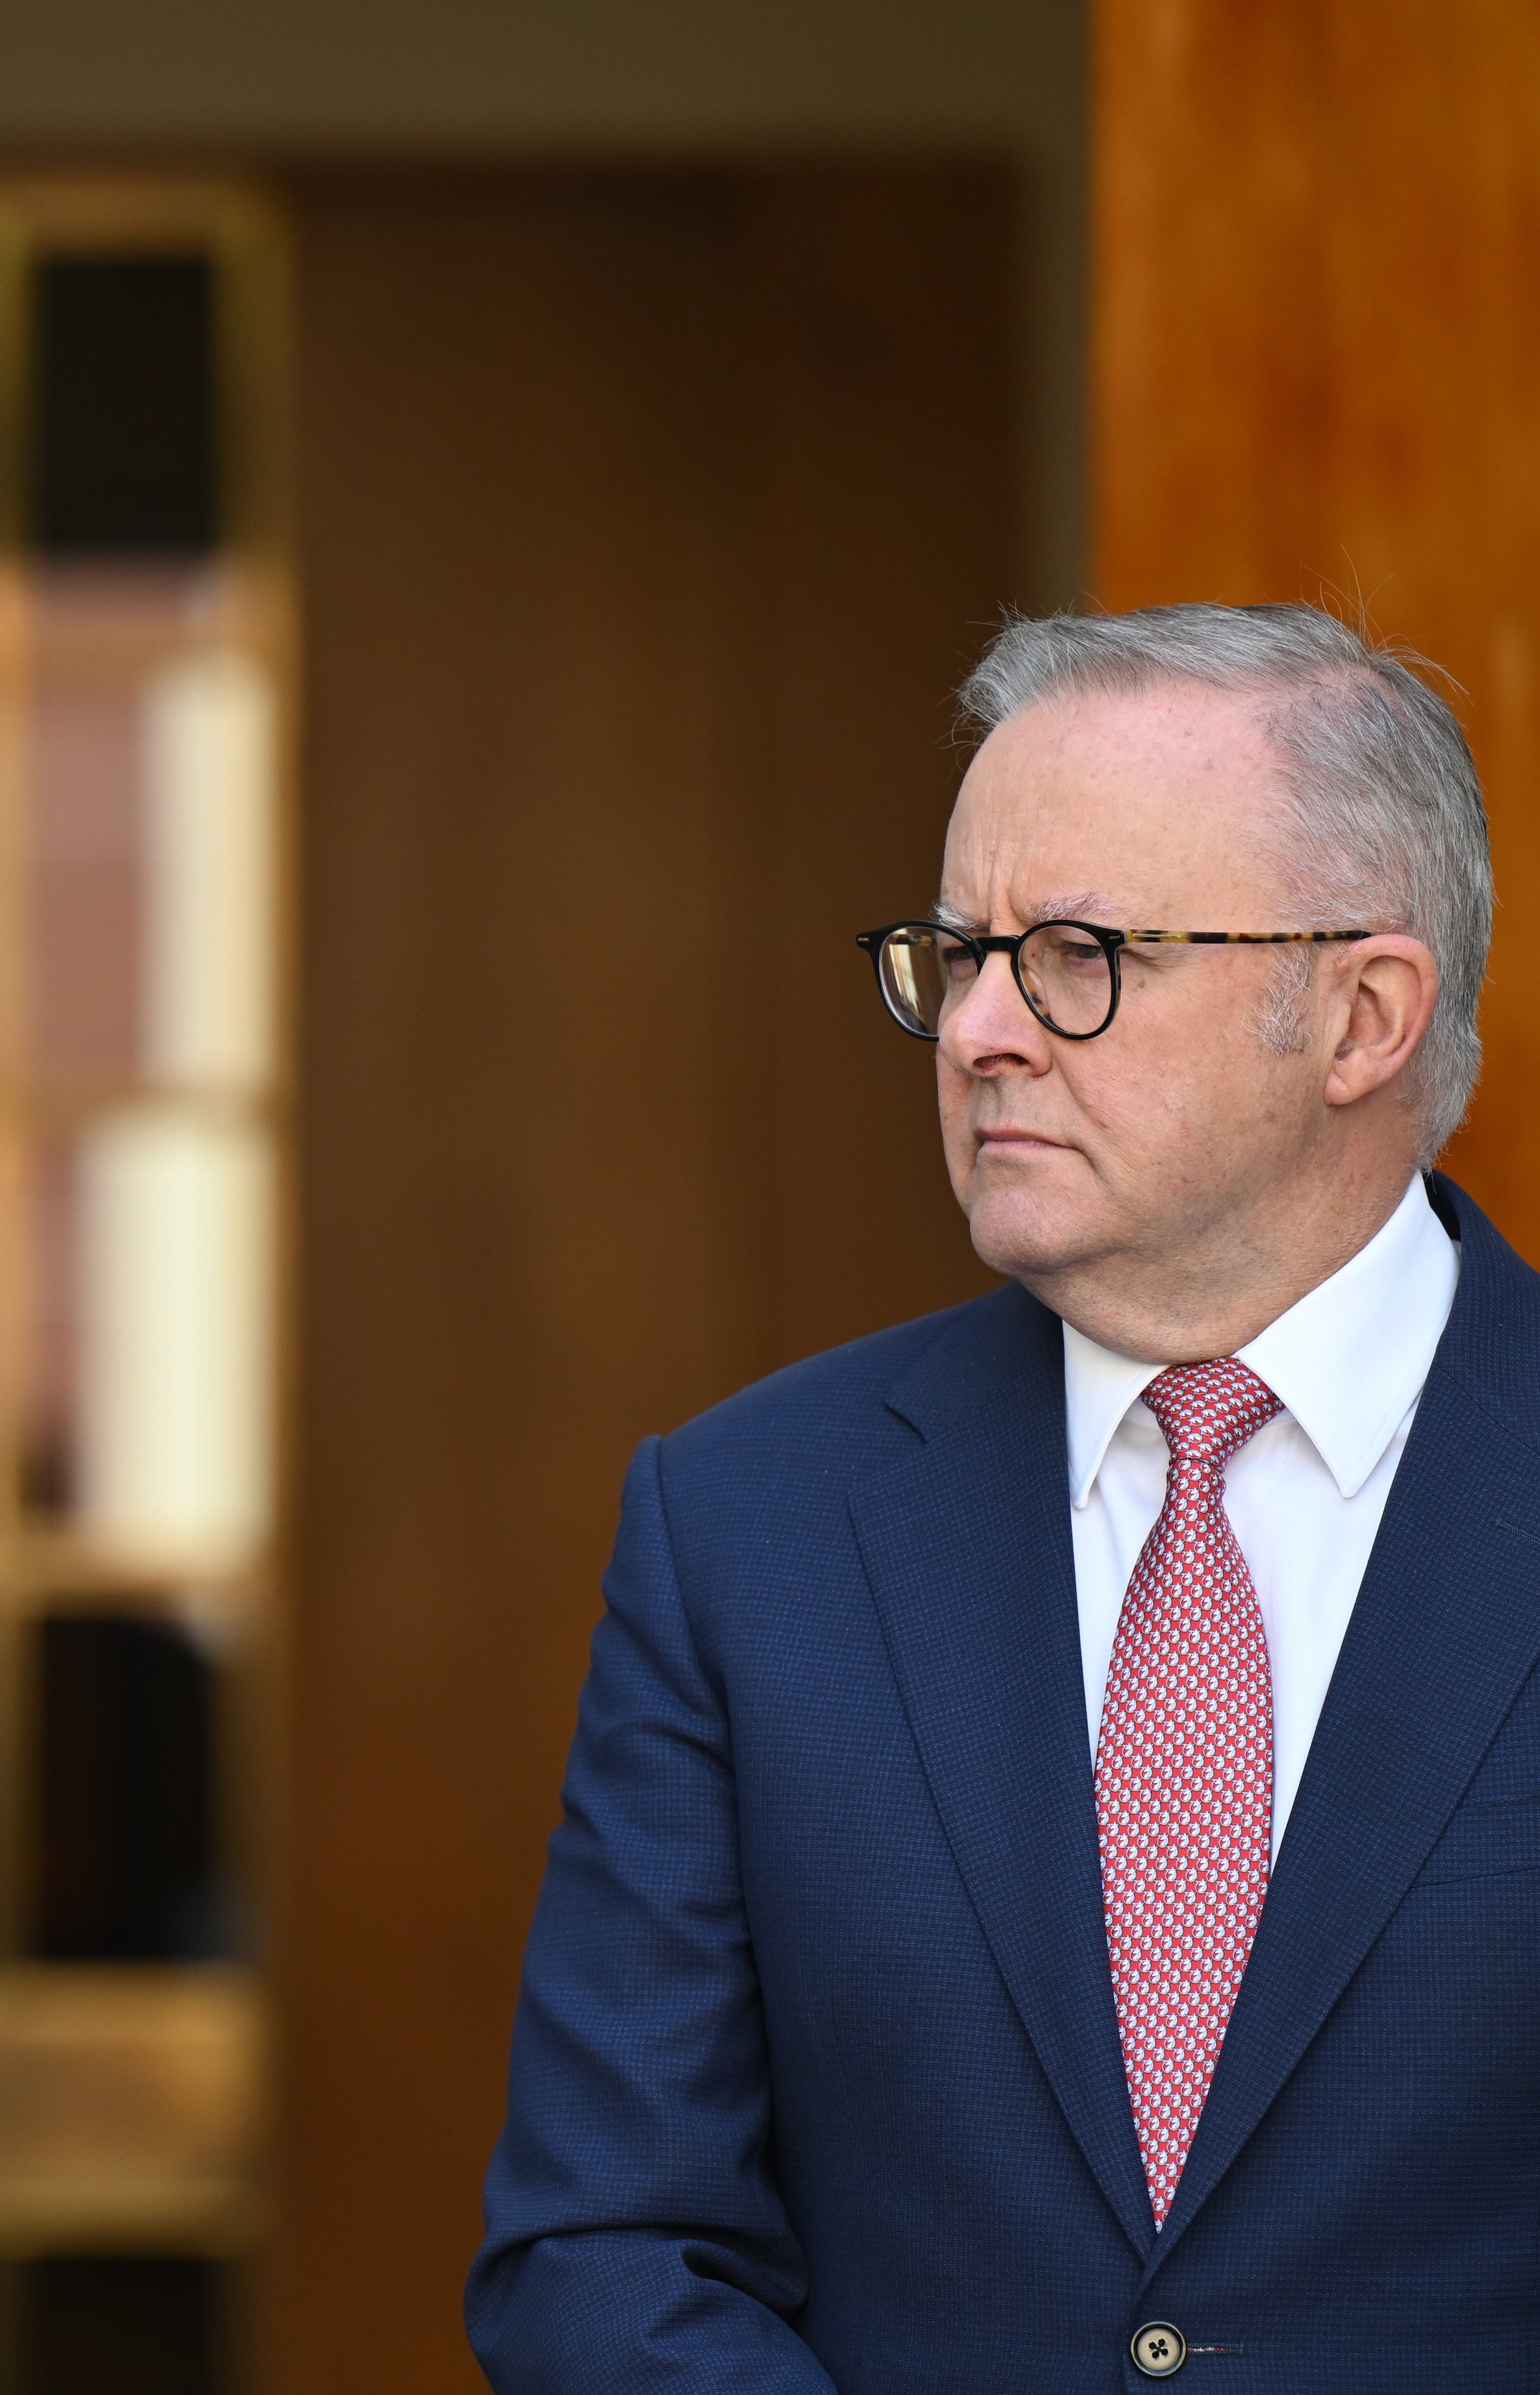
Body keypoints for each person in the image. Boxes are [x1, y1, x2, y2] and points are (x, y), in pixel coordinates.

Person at [470, 603, 1537, 2389]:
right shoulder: (747, 1527)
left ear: (1360, 1015)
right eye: (957, 953)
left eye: (1074, 956)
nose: (975, 1031)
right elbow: (607, 2243)